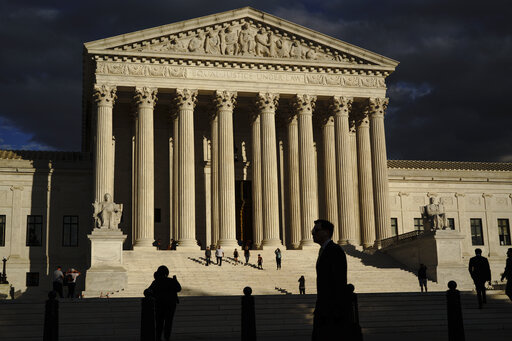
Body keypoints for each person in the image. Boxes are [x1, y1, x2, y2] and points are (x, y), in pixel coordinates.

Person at [311, 219, 348, 341]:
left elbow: (339, 282)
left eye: (316, 230)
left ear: (326, 232)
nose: (312, 232)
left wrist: (335, 311)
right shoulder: (324, 250)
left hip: (331, 312)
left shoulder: (335, 250)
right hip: (324, 309)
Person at [147, 265, 181, 341]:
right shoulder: (171, 281)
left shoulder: (156, 281)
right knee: (168, 322)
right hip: (170, 305)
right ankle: (167, 337)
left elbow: (148, 290)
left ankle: (158, 337)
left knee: (159, 323)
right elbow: (179, 288)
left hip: (159, 305)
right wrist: (175, 280)